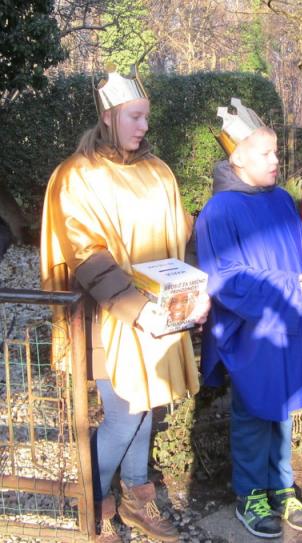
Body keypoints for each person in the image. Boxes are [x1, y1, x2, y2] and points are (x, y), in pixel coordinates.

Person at [40, 65, 209, 543]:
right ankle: (92, 502)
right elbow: (85, 252)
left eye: (146, 116)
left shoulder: (158, 171)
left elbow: (178, 236)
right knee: (124, 413)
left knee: (148, 404)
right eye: (135, 116)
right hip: (107, 318)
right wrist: (137, 308)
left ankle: (136, 497)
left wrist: (194, 292)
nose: (144, 126)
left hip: (159, 314)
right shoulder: (78, 175)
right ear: (109, 116)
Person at [196, 98, 302, 539]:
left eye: (276, 152)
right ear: (238, 160)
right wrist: (283, 283)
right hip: (252, 329)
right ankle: (250, 494)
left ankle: (282, 486)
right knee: (254, 413)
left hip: (288, 322)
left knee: (282, 408)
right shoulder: (219, 211)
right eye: (266, 154)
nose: (277, 160)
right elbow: (223, 275)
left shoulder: (281, 199)